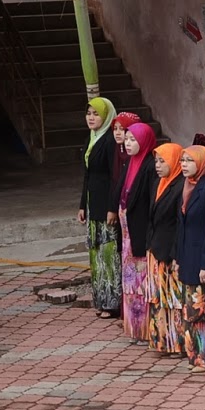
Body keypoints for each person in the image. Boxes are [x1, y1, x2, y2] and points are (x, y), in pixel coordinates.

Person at [176, 145, 205, 375]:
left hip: (202, 260)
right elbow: (182, 225)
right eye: (182, 160)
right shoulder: (187, 185)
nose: (184, 165)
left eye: (189, 161)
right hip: (188, 256)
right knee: (191, 311)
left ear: (202, 162)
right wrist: (179, 257)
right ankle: (194, 355)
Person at [79, 97, 122, 319]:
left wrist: (112, 208)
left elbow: (115, 177)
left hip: (106, 205)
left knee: (108, 254)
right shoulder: (91, 138)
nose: (91, 118)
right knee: (95, 255)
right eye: (89, 113)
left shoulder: (109, 140)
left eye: (96, 114)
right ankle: (101, 299)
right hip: (92, 203)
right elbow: (87, 174)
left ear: (106, 116)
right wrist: (82, 205)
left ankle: (112, 303)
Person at [116, 122, 157, 344]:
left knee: (142, 283)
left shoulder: (150, 166)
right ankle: (133, 327)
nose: (128, 143)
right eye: (128, 139)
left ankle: (145, 328)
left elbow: (151, 202)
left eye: (133, 140)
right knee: (130, 284)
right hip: (127, 234)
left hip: (140, 233)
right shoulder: (129, 163)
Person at [145, 143, 187, 355]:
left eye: (163, 161)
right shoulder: (158, 183)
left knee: (173, 299)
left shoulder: (181, 187)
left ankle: (177, 343)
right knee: (158, 298)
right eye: (156, 161)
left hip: (170, 252)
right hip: (156, 249)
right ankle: (162, 341)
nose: (158, 165)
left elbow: (179, 223)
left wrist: (175, 253)